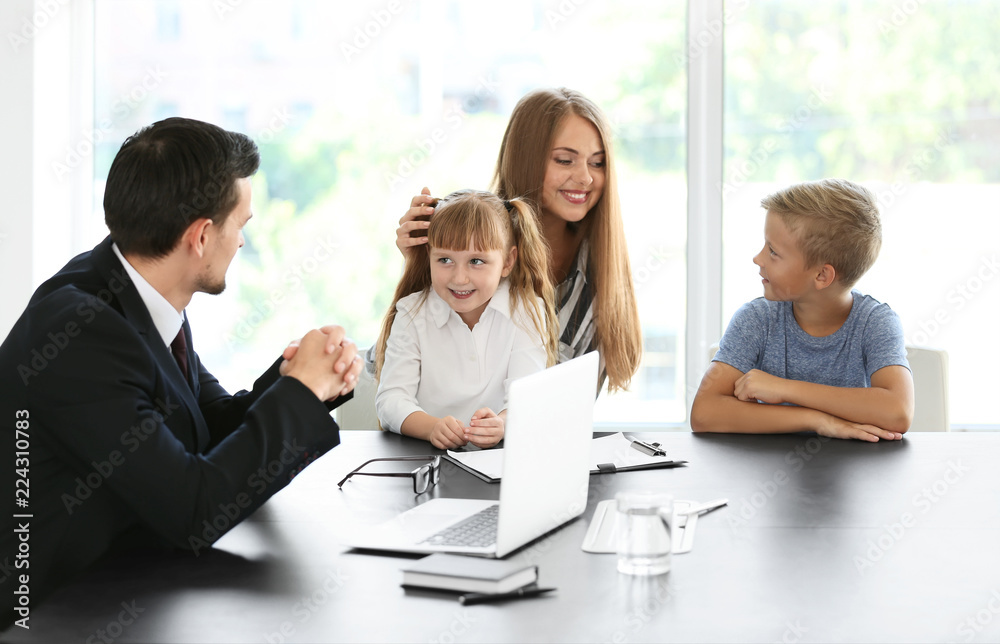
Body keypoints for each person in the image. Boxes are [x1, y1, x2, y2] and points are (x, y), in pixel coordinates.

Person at [0, 117, 362, 622]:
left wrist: (301, 384)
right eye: (242, 226)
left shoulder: (131, 284)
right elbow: (192, 511)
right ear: (202, 236)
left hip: (123, 585)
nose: (241, 243)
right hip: (43, 611)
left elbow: (204, 426)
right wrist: (299, 393)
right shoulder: (81, 332)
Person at [393, 88, 643, 394]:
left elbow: (571, 401)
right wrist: (417, 267)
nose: (586, 178)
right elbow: (392, 379)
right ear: (526, 159)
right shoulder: (473, 247)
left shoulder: (600, 267)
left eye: (597, 163)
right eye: (565, 160)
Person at [690, 178, 914, 441]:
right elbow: (704, 413)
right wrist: (816, 420)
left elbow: (898, 412)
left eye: (773, 251)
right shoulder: (757, 319)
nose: (758, 258)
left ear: (822, 275)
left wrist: (785, 389)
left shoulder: (875, 323)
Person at [374, 189, 559, 449]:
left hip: (498, 464)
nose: (459, 278)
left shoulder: (526, 311)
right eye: (445, 259)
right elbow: (391, 399)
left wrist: (503, 424)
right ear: (429, 255)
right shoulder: (412, 313)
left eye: (476, 261)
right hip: (428, 462)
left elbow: (528, 397)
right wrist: (432, 428)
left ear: (508, 262)